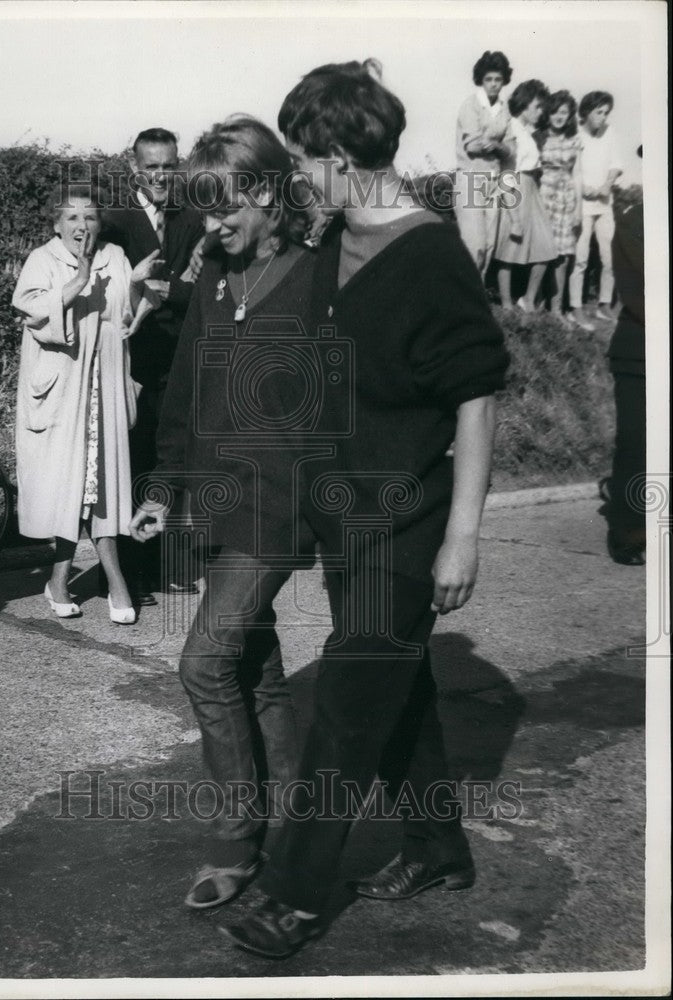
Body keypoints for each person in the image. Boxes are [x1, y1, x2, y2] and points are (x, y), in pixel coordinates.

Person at [220, 60, 509, 958]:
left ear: (342, 157)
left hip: (410, 526)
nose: (300, 180)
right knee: (396, 691)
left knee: (345, 706)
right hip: (344, 520)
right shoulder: (328, 248)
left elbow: (475, 398)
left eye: (305, 162)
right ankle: (436, 847)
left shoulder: (431, 255)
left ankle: (293, 894)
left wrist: (461, 538)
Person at [130, 115, 318, 909]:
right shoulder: (211, 274)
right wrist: (160, 488)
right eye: (203, 209)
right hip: (213, 503)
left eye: (224, 207)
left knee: (203, 663)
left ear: (269, 195)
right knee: (254, 667)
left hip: (277, 508)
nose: (210, 225)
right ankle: (297, 825)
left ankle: (236, 840)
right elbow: (182, 393)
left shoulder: (317, 278)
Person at [13, 182, 162, 624]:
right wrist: (76, 282)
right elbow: (30, 311)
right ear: (58, 224)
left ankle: (72, 580)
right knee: (71, 486)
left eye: (90, 217)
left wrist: (135, 285)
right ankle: (105, 582)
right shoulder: (42, 260)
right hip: (62, 392)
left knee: (103, 485)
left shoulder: (114, 256)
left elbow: (127, 317)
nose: (82, 225)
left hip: (106, 387)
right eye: (72, 217)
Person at [104, 127, 205, 604]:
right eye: (151, 167)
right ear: (134, 168)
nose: (161, 176)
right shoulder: (114, 221)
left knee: (171, 456)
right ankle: (129, 572)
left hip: (179, 356)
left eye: (168, 166)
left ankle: (161, 562)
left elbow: (203, 284)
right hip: (130, 358)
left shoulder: (194, 216)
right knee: (134, 457)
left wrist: (171, 290)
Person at [602, 146, 644, 564]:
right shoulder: (634, 222)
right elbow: (640, 294)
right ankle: (629, 532)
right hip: (641, 353)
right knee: (637, 442)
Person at [493, 79, 557, 312]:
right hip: (515, 188)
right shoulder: (510, 129)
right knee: (509, 248)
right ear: (524, 104)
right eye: (537, 107)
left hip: (532, 190)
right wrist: (514, 216)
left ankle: (528, 299)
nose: (541, 112)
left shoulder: (527, 132)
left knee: (545, 247)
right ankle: (506, 303)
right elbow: (505, 172)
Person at [454, 50, 514, 278]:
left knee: (489, 245)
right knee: (474, 244)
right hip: (470, 179)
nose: (494, 84)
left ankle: (477, 292)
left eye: (498, 79)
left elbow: (511, 150)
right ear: (481, 80)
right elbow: (472, 146)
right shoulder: (470, 105)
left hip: (494, 180)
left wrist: (495, 145)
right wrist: (498, 145)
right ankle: (462, 292)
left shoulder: (504, 109)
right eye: (489, 79)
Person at [569, 91, 623, 330]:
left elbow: (616, 164)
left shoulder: (610, 132)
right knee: (580, 259)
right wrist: (585, 189)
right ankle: (575, 308)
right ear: (586, 112)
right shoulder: (575, 134)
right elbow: (572, 169)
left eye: (606, 113)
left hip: (604, 203)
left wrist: (606, 186)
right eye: (598, 112)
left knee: (609, 258)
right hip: (582, 205)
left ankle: (603, 305)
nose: (603, 117)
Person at [538, 91, 583, 323]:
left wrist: (578, 208)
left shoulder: (575, 140)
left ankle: (556, 309)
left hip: (566, 199)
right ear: (548, 113)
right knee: (541, 251)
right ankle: (536, 302)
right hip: (544, 196)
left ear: (570, 115)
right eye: (555, 111)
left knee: (564, 255)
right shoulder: (540, 137)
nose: (559, 116)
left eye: (564, 112)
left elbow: (578, 174)